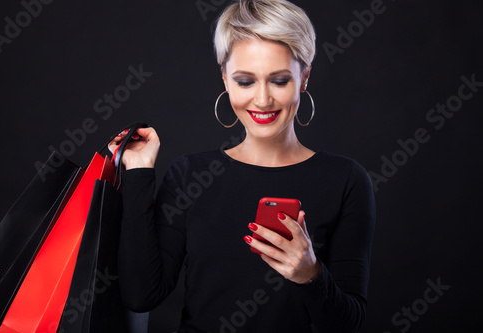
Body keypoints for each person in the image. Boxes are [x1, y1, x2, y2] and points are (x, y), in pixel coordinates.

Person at [109, 0, 375, 332]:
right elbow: (140, 296)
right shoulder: (188, 175)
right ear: (224, 78)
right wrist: (137, 172)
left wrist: (311, 275)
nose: (262, 100)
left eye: (279, 80)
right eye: (245, 81)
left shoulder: (346, 180)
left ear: (304, 76)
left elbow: (347, 323)